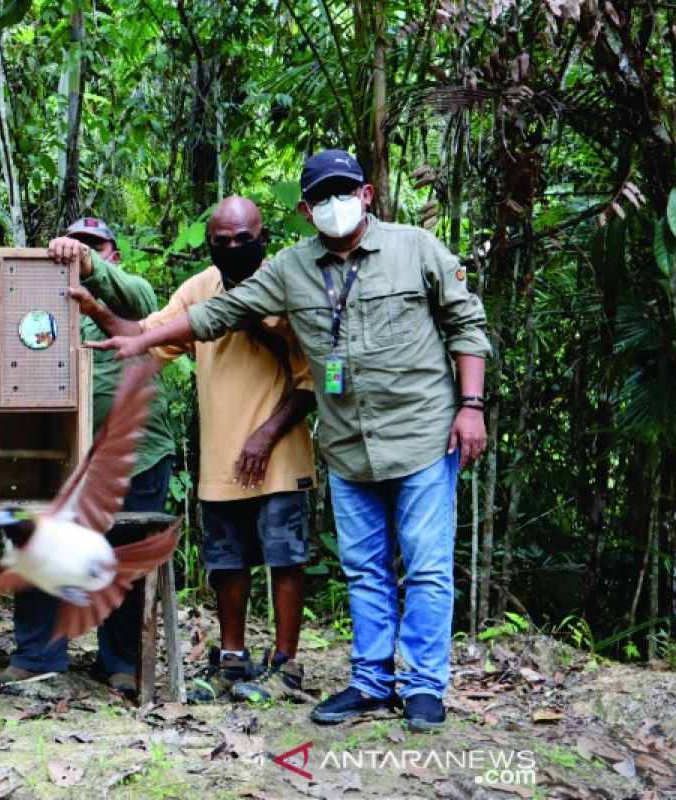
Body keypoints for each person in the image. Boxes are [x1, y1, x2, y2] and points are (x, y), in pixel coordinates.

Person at [88, 150, 490, 731]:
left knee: (425, 566)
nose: (334, 205)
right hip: (350, 444)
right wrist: (131, 338)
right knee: (364, 567)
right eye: (321, 197)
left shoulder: (416, 248)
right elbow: (218, 312)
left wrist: (470, 406)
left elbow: (465, 323)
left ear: (367, 194)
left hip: (422, 434)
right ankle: (372, 681)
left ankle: (424, 685)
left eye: (343, 191)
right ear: (305, 209)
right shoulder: (292, 269)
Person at [69, 199, 317, 703]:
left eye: (243, 238)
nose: (232, 248)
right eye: (221, 241)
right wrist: (96, 310)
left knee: (285, 555)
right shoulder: (200, 288)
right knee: (227, 559)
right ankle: (232, 659)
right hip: (222, 450)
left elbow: (313, 379)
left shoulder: (289, 284)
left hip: (280, 450)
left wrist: (267, 434)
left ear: (261, 235)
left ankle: (287, 665)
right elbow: (148, 336)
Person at [0, 217, 176, 698]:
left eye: (94, 246)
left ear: (114, 254)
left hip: (136, 451)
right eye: (76, 246)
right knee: (39, 545)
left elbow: (139, 305)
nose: (82, 252)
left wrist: (88, 269)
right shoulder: (42, 306)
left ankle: (123, 662)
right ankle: (36, 656)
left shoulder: (134, 297)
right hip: (57, 453)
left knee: (122, 555)